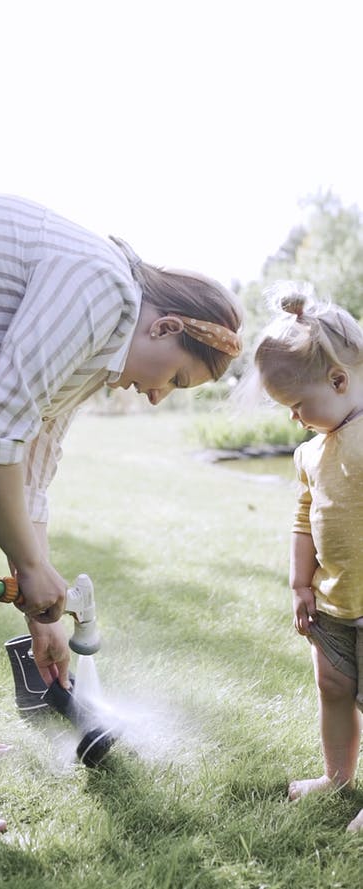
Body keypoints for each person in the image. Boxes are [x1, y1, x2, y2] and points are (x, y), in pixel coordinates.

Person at [0, 184, 242, 843]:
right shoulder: (101, 290)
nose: (158, 396)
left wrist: (42, 604)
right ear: (164, 326)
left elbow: (27, 470)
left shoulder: (92, 347)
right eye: (175, 378)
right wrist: (32, 569)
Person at [252, 281, 363, 833]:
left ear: (339, 381)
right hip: (334, 603)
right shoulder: (310, 452)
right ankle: (337, 776)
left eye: (298, 405)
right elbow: (304, 519)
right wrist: (301, 584)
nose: (295, 418)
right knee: (333, 688)